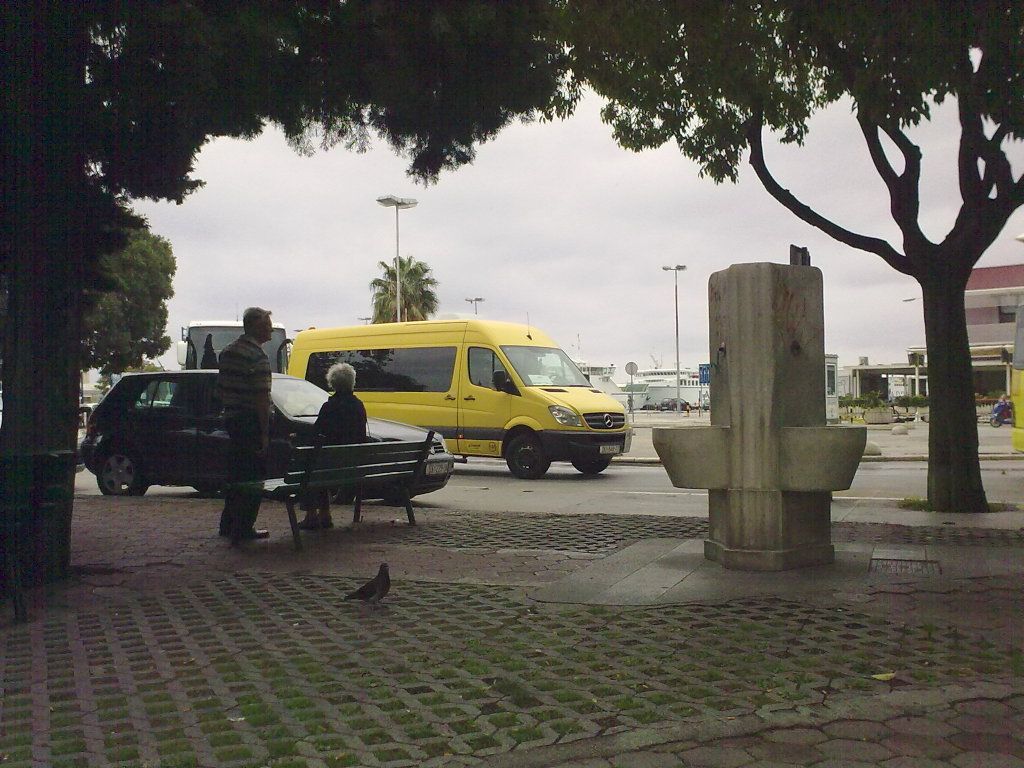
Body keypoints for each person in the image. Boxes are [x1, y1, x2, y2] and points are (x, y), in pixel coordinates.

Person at [217, 307, 273, 543]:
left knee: (236, 474)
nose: (271, 329)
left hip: (232, 419)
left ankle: (228, 523)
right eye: (268, 325)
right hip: (250, 421)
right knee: (253, 477)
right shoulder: (257, 357)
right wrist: (265, 433)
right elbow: (262, 398)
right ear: (256, 326)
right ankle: (244, 527)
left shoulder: (227, 352)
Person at [297, 362, 368, 530]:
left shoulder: (329, 407)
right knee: (322, 464)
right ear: (352, 382)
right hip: (353, 463)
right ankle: (324, 514)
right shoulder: (359, 406)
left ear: (333, 383)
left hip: (332, 464)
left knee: (310, 464)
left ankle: (313, 515)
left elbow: (317, 434)